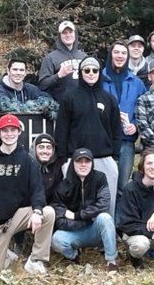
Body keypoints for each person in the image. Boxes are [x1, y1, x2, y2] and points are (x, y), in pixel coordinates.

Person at [0, 114, 54, 273]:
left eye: (13, 130)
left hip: (17, 217)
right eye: (5, 130)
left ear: (19, 132)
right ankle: (6, 254)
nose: (9, 134)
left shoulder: (27, 160)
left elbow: (38, 190)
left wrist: (37, 211)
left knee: (48, 213)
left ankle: (36, 259)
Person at [55, 56, 121, 213]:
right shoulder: (69, 98)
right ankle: (76, 233)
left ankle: (106, 234)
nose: (91, 73)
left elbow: (116, 129)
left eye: (95, 70)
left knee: (107, 203)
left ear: (99, 73)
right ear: (81, 72)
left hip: (104, 158)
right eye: (87, 70)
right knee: (75, 202)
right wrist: (63, 158)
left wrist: (115, 156)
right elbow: (61, 130)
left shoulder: (109, 99)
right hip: (76, 160)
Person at [51, 149, 119, 271]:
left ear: (92, 163)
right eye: (79, 161)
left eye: (87, 161)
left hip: (95, 229)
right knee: (56, 239)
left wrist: (78, 216)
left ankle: (111, 261)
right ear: (73, 164)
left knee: (105, 218)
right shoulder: (63, 186)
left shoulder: (100, 178)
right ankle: (74, 256)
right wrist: (83, 221)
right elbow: (60, 218)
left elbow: (103, 204)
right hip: (74, 232)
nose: (83, 165)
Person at [101, 41, 145, 190]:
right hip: (104, 140)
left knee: (123, 186)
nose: (120, 56)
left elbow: (144, 110)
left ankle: (122, 214)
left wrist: (137, 126)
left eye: (123, 53)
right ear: (110, 55)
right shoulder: (99, 78)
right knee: (104, 185)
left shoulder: (136, 82)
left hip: (126, 142)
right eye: (116, 52)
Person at [37, 19, 88, 101]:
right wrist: (58, 75)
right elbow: (43, 85)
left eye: (70, 32)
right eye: (64, 33)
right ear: (60, 36)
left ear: (75, 34)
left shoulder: (84, 57)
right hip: (61, 107)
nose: (68, 35)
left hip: (83, 104)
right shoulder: (50, 58)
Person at [31, 133, 64, 204]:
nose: (45, 151)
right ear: (34, 149)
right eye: (41, 147)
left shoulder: (57, 168)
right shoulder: (26, 166)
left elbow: (58, 196)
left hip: (50, 209)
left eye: (49, 147)